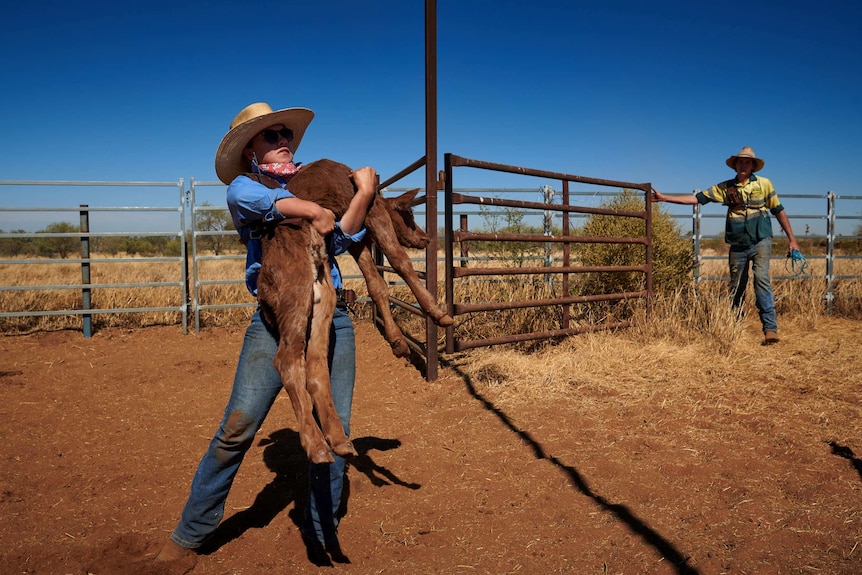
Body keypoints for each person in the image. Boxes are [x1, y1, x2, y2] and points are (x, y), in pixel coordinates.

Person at [155, 102, 377, 565]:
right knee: (238, 426)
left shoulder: (303, 187)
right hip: (273, 321)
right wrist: (314, 208)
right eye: (270, 134)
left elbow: (339, 239)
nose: (282, 139)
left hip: (331, 317)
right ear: (249, 149)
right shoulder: (246, 189)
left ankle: (322, 532)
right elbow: (264, 205)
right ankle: (189, 535)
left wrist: (361, 197)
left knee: (338, 428)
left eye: (285, 133)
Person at [651, 146, 799, 344]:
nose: (743, 164)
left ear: (753, 166)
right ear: (735, 165)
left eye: (747, 162)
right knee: (737, 285)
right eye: (740, 161)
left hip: (761, 239)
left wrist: (792, 240)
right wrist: (665, 198)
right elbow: (697, 198)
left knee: (761, 279)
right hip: (738, 243)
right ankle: (735, 327)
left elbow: (778, 210)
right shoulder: (725, 187)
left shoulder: (764, 184)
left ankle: (770, 329)